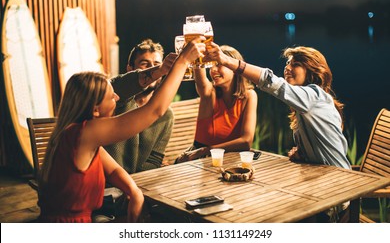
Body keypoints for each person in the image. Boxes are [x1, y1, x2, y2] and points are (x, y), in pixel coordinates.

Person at [37, 38, 205, 223]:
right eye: (111, 96)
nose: (117, 97)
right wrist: (182, 62)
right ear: (95, 108)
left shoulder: (78, 134)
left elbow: (114, 170)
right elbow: (155, 111)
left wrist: (134, 191)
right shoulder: (85, 133)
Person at [203, 44, 351, 222]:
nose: (287, 68)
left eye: (295, 64)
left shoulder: (314, 96)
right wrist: (304, 152)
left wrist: (228, 61)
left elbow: (273, 82)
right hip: (319, 184)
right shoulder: (306, 103)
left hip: (335, 193)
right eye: (287, 63)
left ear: (312, 71)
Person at [176, 45, 258, 162]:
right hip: (199, 159)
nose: (213, 70)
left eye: (219, 64)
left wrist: (207, 150)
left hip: (229, 158)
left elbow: (246, 141)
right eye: (211, 65)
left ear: (234, 68)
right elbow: (199, 73)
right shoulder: (209, 93)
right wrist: (196, 48)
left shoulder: (249, 96)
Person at [107, 39, 175, 173]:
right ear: (130, 69)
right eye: (145, 64)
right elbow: (118, 84)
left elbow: (154, 159)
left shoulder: (166, 115)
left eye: (157, 64)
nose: (153, 69)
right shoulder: (115, 100)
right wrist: (160, 70)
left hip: (139, 184)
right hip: (109, 181)